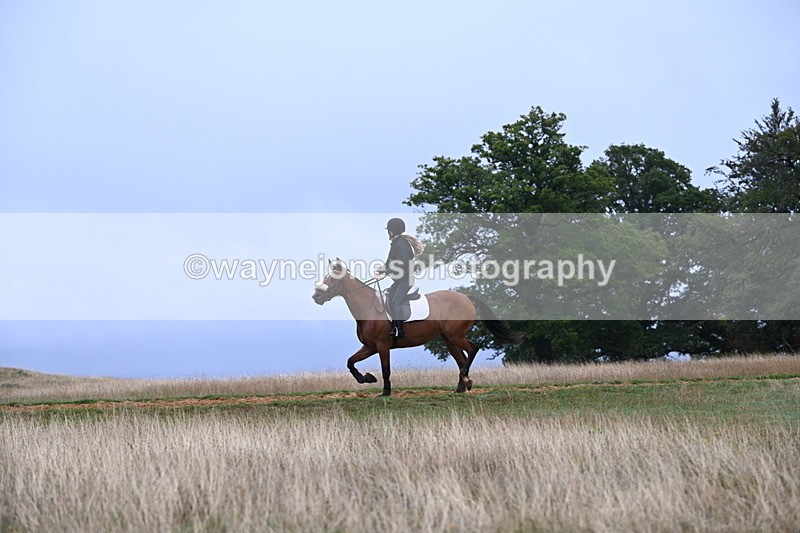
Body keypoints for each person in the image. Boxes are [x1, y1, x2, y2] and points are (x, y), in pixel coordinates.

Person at [379, 217, 423, 338]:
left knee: (395, 301)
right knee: (388, 295)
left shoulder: (402, 244)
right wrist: (381, 270)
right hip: (400, 280)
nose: (388, 233)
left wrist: (387, 271)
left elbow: (401, 264)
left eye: (389, 230)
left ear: (392, 231)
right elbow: (389, 262)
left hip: (406, 280)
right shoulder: (395, 243)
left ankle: (399, 330)